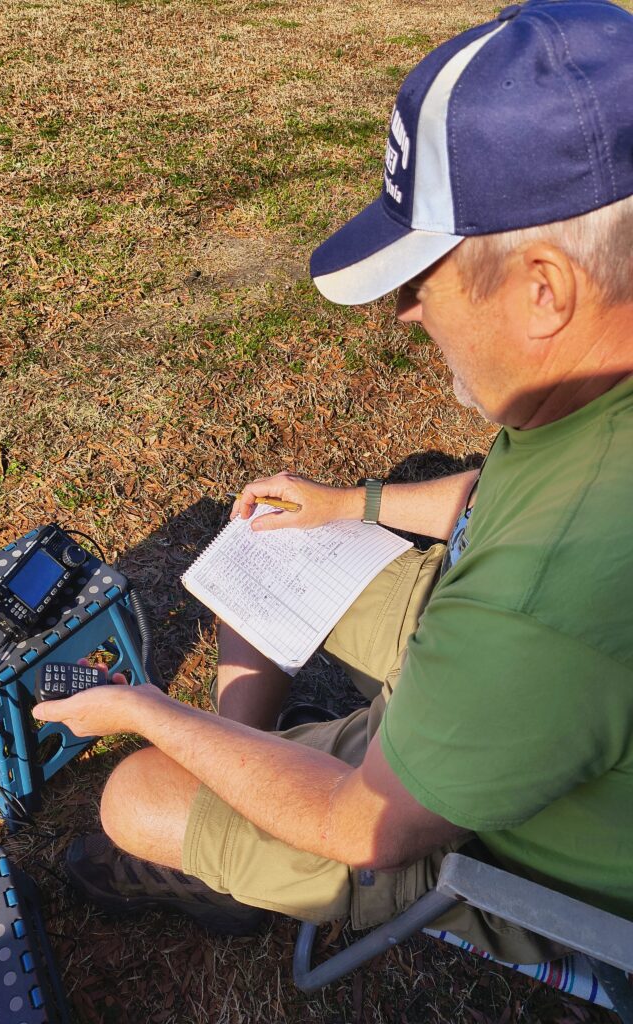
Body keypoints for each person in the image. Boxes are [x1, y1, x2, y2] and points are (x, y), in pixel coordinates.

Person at [34, 0, 633, 961]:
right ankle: (252, 777)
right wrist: (350, 505)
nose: (405, 313)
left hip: (491, 828)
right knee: (275, 529)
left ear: (544, 289)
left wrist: (147, 710)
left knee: (130, 796)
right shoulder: (590, 400)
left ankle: (227, 833)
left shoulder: (544, 598)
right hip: (502, 682)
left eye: (422, 277)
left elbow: (365, 825)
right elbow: (501, 498)